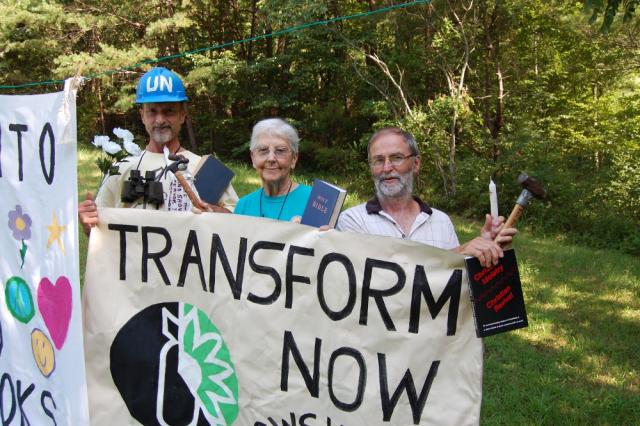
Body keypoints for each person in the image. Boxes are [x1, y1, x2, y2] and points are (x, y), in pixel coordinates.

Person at [78, 67, 238, 235]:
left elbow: (241, 225)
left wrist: (212, 213)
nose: (160, 120)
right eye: (152, 112)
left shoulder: (208, 169)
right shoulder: (120, 169)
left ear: (183, 115)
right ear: (142, 115)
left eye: (168, 111)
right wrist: (88, 223)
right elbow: (99, 234)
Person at [336, 127, 515, 267]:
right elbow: (380, 277)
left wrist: (483, 253)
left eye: (397, 158)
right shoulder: (353, 220)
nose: (387, 168)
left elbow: (454, 285)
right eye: (378, 160)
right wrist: (459, 253)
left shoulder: (441, 222)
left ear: (416, 164)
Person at [234, 118, 312, 222]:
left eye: (280, 151)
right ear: (253, 158)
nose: (271, 158)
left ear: (294, 158)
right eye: (263, 150)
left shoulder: (314, 202)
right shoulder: (243, 207)